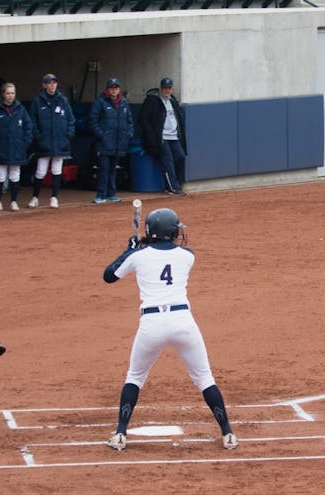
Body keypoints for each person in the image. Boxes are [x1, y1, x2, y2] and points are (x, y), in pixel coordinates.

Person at [102, 208, 238, 451]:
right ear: (172, 232)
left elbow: (109, 276)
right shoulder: (188, 256)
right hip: (183, 322)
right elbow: (163, 253)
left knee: (135, 377)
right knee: (205, 378)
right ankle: (228, 433)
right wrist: (138, 250)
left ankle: (121, 434)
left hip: (151, 325)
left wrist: (129, 250)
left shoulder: (138, 257)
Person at [28, 73, 75, 209]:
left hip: (60, 142)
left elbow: (71, 119)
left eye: (54, 82)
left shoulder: (63, 100)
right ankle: (35, 197)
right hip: (44, 142)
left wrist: (68, 134)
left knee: (56, 170)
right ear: (44, 85)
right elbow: (32, 122)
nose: (52, 85)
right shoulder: (37, 101)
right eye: (49, 83)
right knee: (41, 171)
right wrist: (38, 136)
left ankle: (54, 197)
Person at [139, 77, 187, 196]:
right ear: (160, 88)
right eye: (165, 88)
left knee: (181, 157)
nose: (167, 90)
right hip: (162, 137)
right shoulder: (152, 101)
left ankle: (177, 184)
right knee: (168, 160)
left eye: (169, 88)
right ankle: (173, 187)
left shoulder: (173, 101)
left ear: (172, 89)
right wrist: (151, 134)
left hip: (174, 136)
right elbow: (142, 118)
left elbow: (178, 120)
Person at [89, 78, 133, 204]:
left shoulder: (124, 102)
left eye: (116, 88)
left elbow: (130, 121)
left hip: (119, 142)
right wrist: (101, 135)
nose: (114, 90)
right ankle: (100, 195)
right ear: (107, 89)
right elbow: (92, 121)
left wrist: (128, 135)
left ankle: (112, 193)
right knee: (103, 168)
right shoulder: (100, 102)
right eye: (112, 88)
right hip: (104, 142)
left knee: (113, 169)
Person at [0, 82, 33, 212]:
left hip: (17, 148)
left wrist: (24, 143)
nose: (10, 96)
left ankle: (13, 201)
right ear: (3, 94)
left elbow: (28, 127)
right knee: (0, 176)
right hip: (2, 148)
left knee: (15, 176)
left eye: (12, 93)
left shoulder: (21, 109)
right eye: (8, 93)